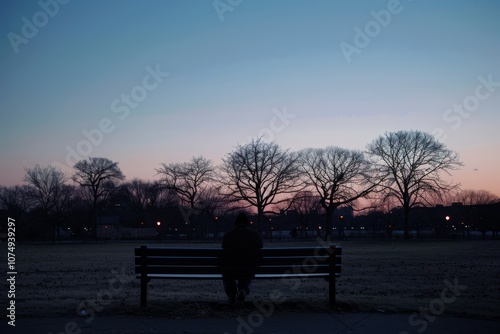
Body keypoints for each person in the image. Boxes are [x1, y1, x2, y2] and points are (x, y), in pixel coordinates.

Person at [220, 213, 263, 305]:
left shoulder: (228, 235)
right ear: (248, 223)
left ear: (235, 223)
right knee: (246, 274)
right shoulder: (255, 234)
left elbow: (223, 246)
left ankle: (231, 294)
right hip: (249, 267)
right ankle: (242, 290)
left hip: (231, 268)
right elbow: (261, 246)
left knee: (227, 276)